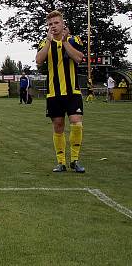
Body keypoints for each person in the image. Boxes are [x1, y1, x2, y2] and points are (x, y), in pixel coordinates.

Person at [35, 10, 86, 173]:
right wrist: (50, 42)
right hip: (54, 93)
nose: (53, 26)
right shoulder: (44, 43)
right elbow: (38, 60)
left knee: (76, 123)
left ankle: (75, 160)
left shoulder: (74, 39)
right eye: (50, 24)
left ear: (63, 24)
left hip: (73, 92)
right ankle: (61, 162)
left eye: (56, 23)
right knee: (58, 125)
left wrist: (64, 42)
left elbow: (78, 58)